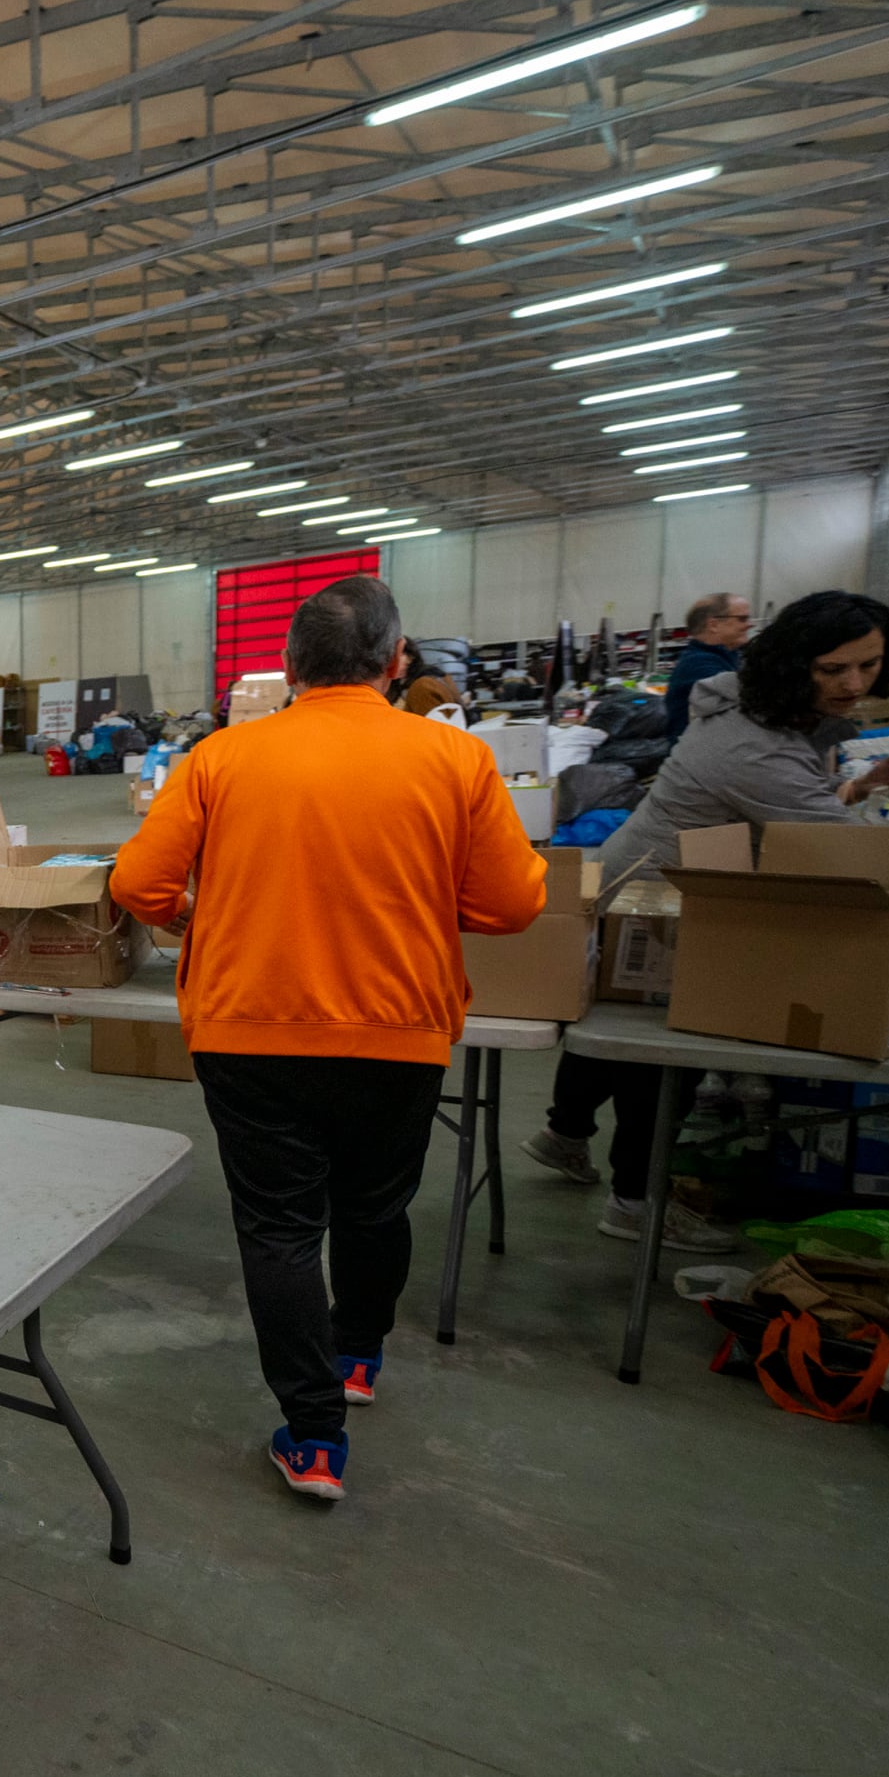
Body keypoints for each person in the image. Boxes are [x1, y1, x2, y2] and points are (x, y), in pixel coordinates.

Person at [109, 576, 546, 1503]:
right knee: (374, 1210)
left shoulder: (220, 757)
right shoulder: (453, 759)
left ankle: (313, 1438)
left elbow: (137, 885)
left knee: (277, 1229)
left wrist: (200, 911)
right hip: (398, 1031)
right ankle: (356, 1359)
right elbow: (515, 904)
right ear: (396, 663)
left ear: (286, 667)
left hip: (248, 1029)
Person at [527, 590, 889, 1246]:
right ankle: (633, 1199)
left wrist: (853, 786)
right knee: (655, 1056)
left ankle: (565, 1135)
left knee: (612, 1026)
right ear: (795, 664)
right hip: (654, 901)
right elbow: (835, 848)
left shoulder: (762, 713)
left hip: (648, 884)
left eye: (866, 665)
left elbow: (789, 802)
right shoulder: (752, 744)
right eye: (832, 670)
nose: (853, 684)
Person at [659, 592, 752, 736]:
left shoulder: (728, 656)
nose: (749, 625)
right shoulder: (698, 665)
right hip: (695, 753)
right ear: (713, 625)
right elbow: (749, 701)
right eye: (742, 619)